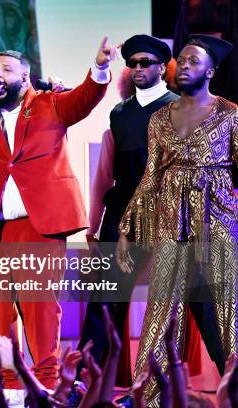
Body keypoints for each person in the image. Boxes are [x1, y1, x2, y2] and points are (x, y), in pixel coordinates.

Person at [0, 37, 118, 405]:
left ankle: (47, 385)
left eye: (6, 70)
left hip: (39, 224)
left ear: (26, 76)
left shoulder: (49, 104)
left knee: (40, 307)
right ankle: (10, 387)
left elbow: (86, 97)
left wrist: (98, 68)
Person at [78, 34, 221, 385]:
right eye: (133, 63)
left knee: (199, 297)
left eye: (146, 63)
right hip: (124, 214)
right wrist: (94, 225)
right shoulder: (120, 113)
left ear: (162, 68)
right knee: (106, 298)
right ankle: (90, 381)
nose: (138, 69)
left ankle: (230, 369)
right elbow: (106, 174)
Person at [117, 34, 237, 407]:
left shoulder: (231, 114)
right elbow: (151, 176)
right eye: (180, 60)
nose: (183, 65)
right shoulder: (158, 119)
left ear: (210, 71)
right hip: (170, 217)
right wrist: (125, 229)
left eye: (193, 61)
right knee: (161, 310)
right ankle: (152, 398)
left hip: (217, 217)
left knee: (229, 308)